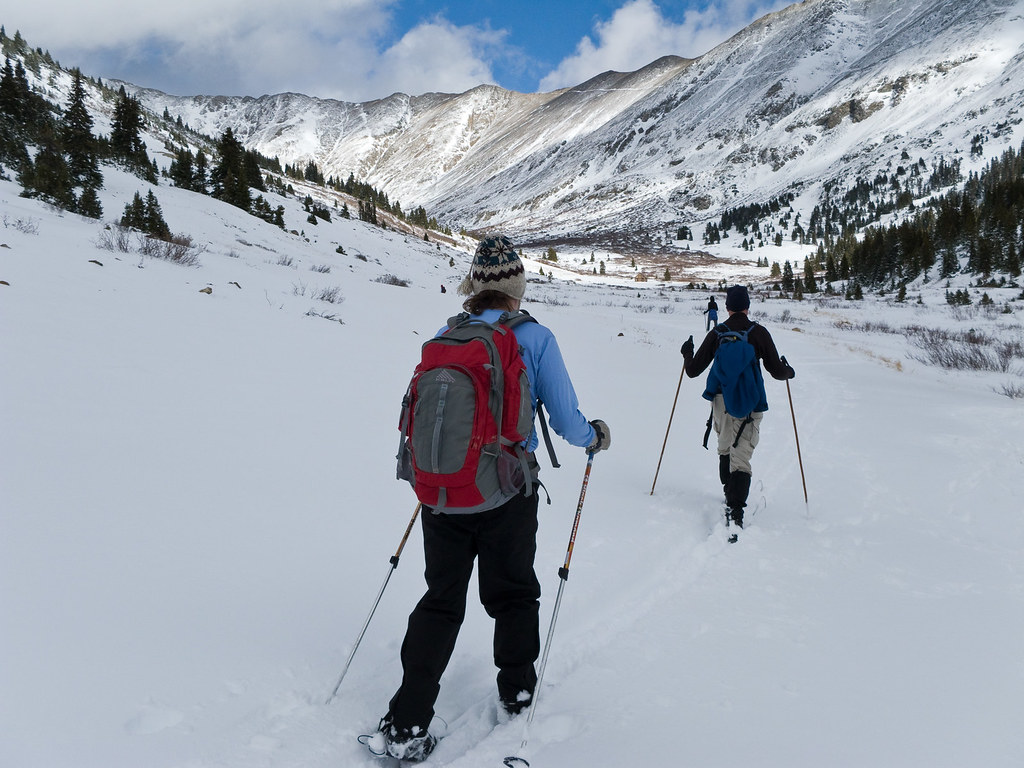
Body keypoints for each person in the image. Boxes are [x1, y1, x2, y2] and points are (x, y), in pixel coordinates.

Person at [375, 235, 611, 762]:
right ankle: (516, 690)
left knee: (440, 600)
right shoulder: (536, 338)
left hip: (443, 491)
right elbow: (566, 418)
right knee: (512, 594)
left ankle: (407, 719)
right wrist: (594, 436)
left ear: (475, 287)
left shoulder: (447, 333)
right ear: (515, 287)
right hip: (505, 492)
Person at [681, 285, 794, 535]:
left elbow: (692, 370)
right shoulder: (759, 333)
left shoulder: (718, 333)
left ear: (727, 308)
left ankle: (728, 493)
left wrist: (686, 353)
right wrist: (789, 371)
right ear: (747, 306)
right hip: (751, 403)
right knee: (741, 454)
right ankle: (736, 511)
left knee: (724, 447)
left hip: (721, 401)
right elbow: (776, 371)